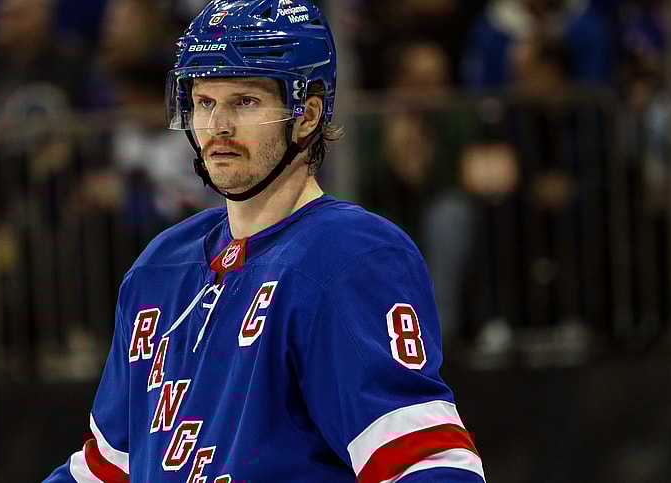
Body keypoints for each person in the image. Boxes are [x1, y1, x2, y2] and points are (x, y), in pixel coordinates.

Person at [44, 0, 485, 481]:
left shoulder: (351, 255)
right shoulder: (158, 266)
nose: (218, 127)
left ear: (308, 114)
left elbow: (425, 462)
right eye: (205, 103)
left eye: (245, 102)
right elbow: (106, 468)